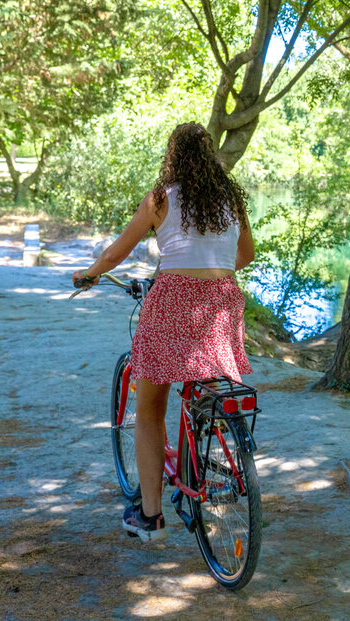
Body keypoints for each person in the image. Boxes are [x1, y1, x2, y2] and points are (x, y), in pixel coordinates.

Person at [72, 123, 255, 541]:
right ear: (211, 160)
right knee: (206, 390)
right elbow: (246, 254)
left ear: (172, 157)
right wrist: (214, 274)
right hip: (222, 301)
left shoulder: (160, 200)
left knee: (152, 405)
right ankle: (209, 466)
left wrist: (90, 274)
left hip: (172, 300)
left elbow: (119, 249)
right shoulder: (230, 200)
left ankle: (150, 516)